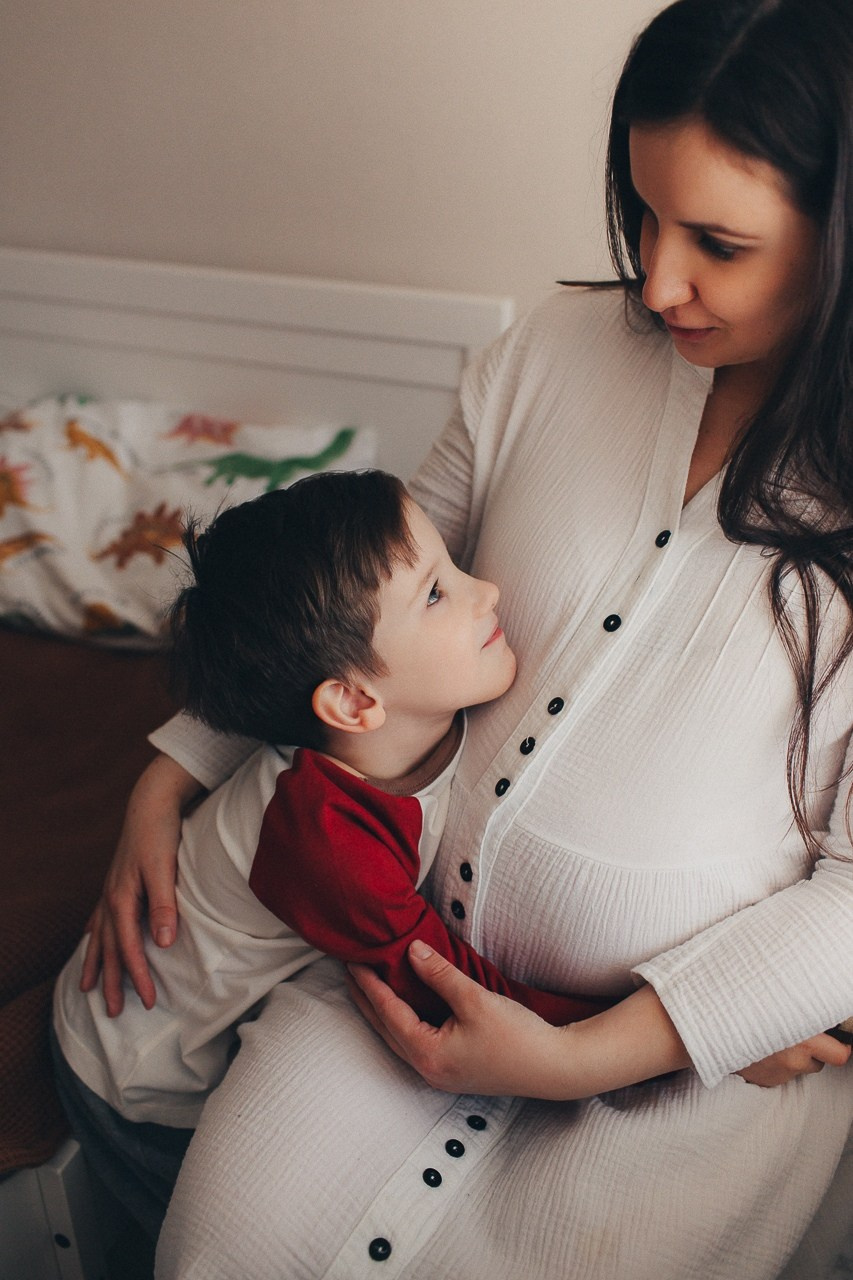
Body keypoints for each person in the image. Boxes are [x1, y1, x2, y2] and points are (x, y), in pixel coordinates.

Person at [83, 0, 853, 1275]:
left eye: (718, 243)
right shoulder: (555, 348)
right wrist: (176, 764)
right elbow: (364, 585)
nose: (658, 279)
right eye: (643, 213)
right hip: (390, 984)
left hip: (687, 1075)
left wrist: (586, 1053)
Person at [52, 469, 607, 1238]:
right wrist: (616, 1035)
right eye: (436, 593)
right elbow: (447, 984)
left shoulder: (398, 725)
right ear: (353, 702)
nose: (486, 590)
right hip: (134, 1073)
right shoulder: (327, 844)